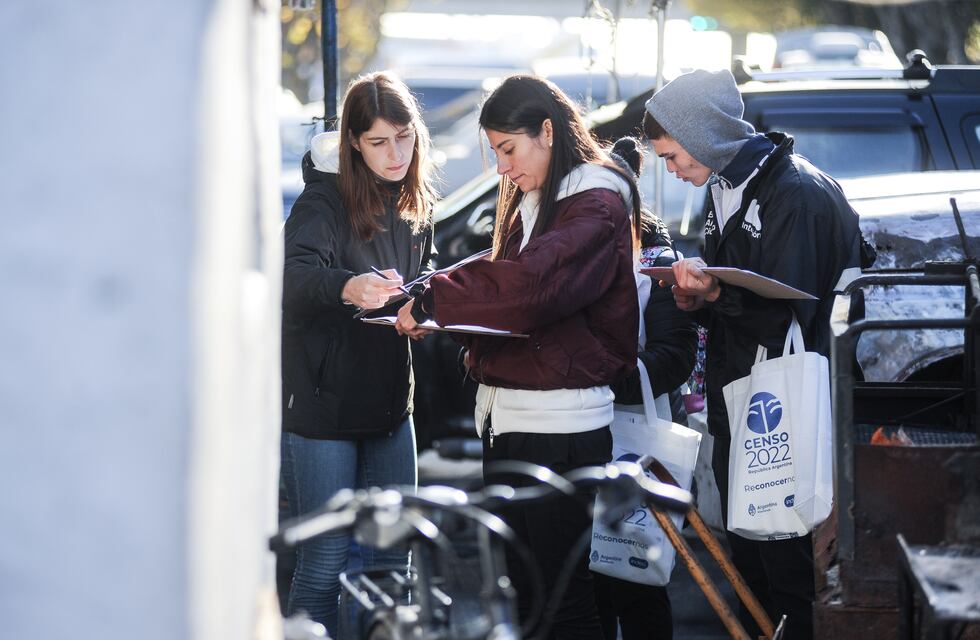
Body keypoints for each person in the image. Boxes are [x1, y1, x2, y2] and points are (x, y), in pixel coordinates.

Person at [395, 75, 641, 639]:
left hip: (560, 425)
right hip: (513, 419)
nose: (502, 168)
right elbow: (507, 288)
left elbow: (528, 288)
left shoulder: (596, 204)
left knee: (563, 601)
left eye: (508, 149)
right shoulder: (540, 198)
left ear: (547, 131)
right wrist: (431, 301)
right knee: (527, 596)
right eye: (496, 152)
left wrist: (435, 299)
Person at [642, 69, 866, 640]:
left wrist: (715, 295)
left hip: (793, 407)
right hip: (742, 400)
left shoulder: (796, 192)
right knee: (749, 562)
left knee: (791, 569)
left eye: (672, 156)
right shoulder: (724, 184)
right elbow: (740, 297)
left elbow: (794, 311)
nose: (672, 170)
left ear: (703, 135)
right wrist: (697, 298)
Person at [280, 71, 437, 635]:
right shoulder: (323, 199)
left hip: (392, 407)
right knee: (323, 562)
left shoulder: (415, 198)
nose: (396, 154)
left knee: (395, 562)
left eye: (404, 137)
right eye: (379, 142)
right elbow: (290, 278)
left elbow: (424, 269)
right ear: (352, 141)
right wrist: (348, 286)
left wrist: (421, 305)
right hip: (322, 411)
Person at [592, 137, 698, 640]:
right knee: (584, 588)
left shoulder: (656, 262)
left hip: (637, 440)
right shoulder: (564, 255)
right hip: (572, 442)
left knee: (636, 582)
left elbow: (674, 356)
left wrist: (594, 377)